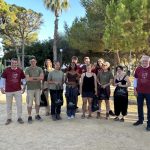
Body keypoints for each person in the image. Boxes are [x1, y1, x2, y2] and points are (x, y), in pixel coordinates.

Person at [0, 58, 26, 125]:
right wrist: (1, 88)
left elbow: (23, 79)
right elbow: (2, 79)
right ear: (10, 63)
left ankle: (19, 118)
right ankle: (9, 118)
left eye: (15, 63)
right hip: (8, 90)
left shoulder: (20, 70)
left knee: (19, 105)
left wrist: (24, 87)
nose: (13, 64)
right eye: (12, 63)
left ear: (17, 63)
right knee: (9, 105)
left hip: (18, 90)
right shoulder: (6, 70)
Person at [133, 55, 150, 131]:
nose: (144, 62)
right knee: (139, 106)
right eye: (143, 61)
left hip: (149, 92)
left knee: (149, 108)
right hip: (139, 91)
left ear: (149, 61)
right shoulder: (138, 69)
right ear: (141, 61)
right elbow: (135, 79)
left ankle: (149, 123)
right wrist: (134, 89)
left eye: (146, 61)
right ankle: (140, 120)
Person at [25, 57, 44, 123]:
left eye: (34, 61)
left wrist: (32, 78)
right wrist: (37, 78)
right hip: (30, 89)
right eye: (31, 61)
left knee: (38, 103)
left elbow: (41, 78)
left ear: (36, 62)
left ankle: (37, 114)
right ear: (30, 62)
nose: (33, 62)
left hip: (38, 88)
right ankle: (29, 116)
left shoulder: (39, 69)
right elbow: (27, 79)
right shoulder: (27, 69)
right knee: (30, 103)